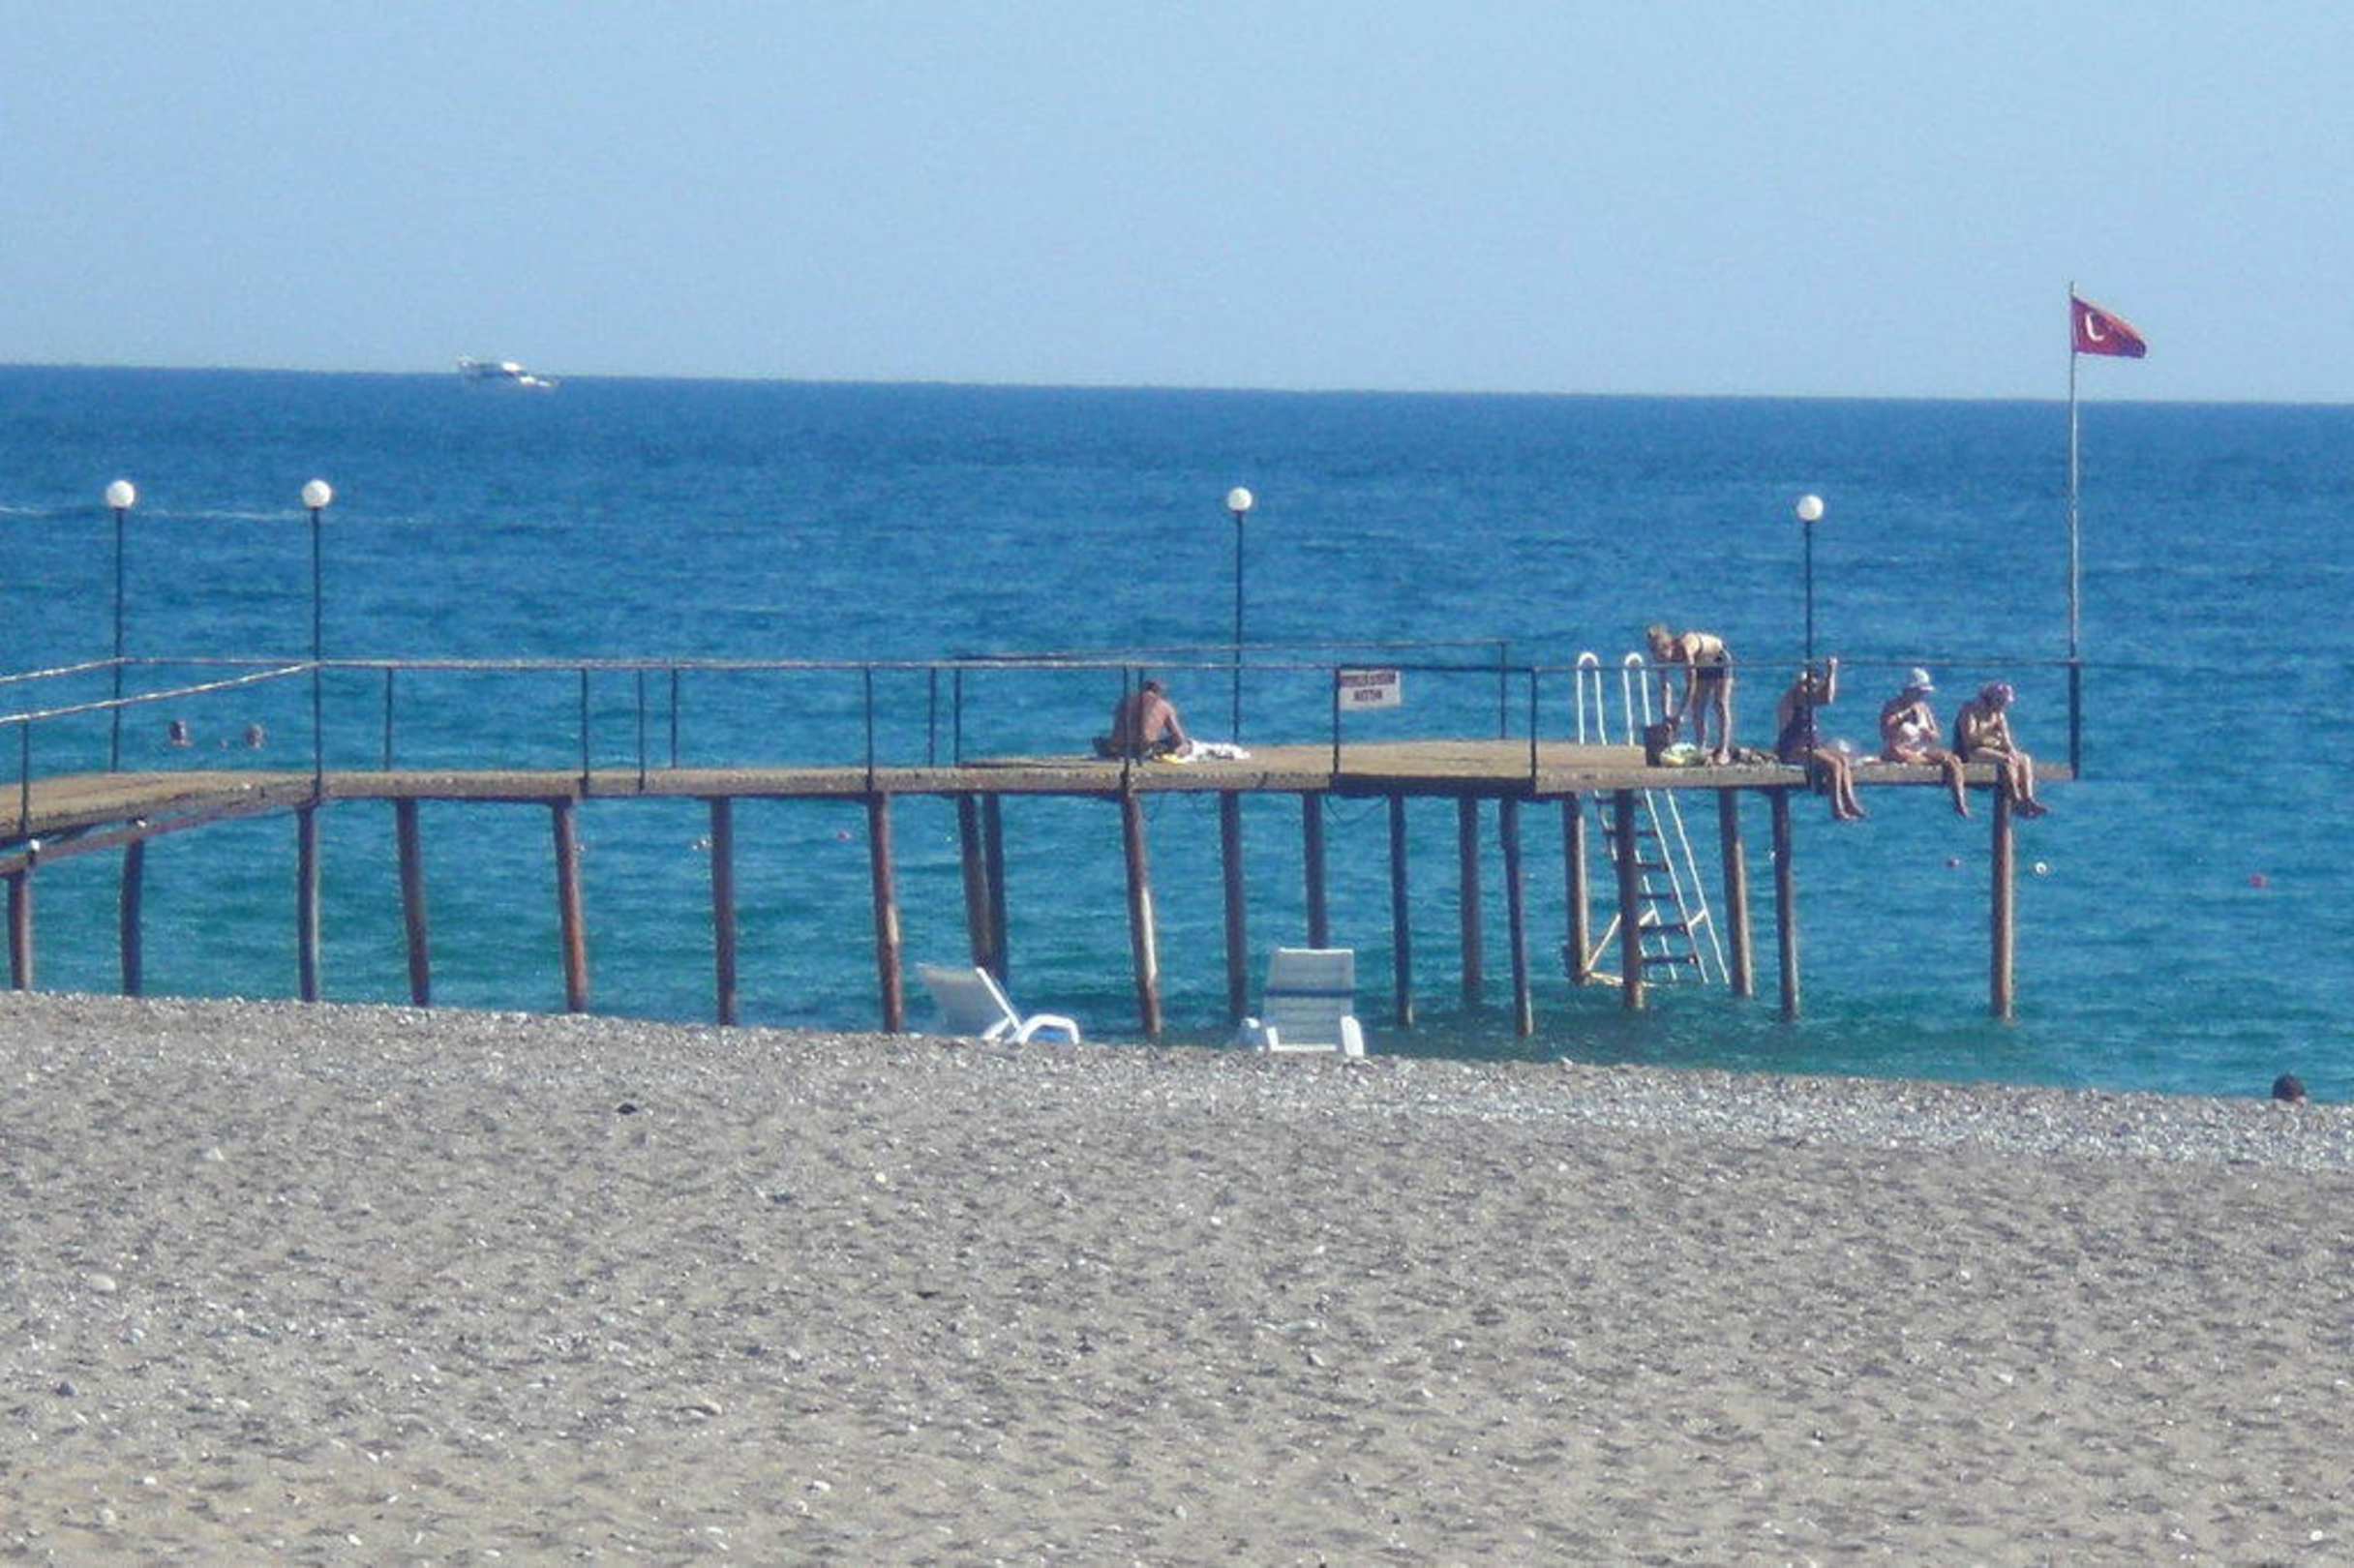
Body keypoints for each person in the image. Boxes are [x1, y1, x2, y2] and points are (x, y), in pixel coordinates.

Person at [1772, 656, 1865, 822]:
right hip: (1793, 749)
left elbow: (1824, 696)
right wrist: (1832, 671)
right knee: (1834, 764)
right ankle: (1837, 808)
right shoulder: (1796, 696)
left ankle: (1850, 801)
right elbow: (1827, 698)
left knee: (1843, 760)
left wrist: (1829, 675)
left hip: (1810, 747)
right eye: (1808, 685)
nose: (1810, 689)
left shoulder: (1808, 697)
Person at [1878, 667, 1970, 817]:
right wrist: (1904, 716)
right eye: (1919, 692)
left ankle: (1960, 801)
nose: (1922, 695)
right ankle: (1930, 763)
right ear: (1909, 690)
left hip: (1922, 750)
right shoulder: (1892, 706)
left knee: (1954, 759)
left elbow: (1936, 735)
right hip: (1900, 750)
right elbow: (1886, 730)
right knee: (1899, 753)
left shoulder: (1923, 708)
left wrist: (1929, 734)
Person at [1954, 681, 2049, 817]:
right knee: (2006, 761)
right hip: (1971, 752)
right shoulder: (1970, 710)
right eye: (2001, 702)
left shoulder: (1999, 714)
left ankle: (2028, 799)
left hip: (1992, 750)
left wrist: (2012, 751)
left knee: (2024, 759)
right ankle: (2015, 801)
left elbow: (2006, 741)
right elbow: (1969, 740)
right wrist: (1991, 738)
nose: (2004, 706)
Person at [1645, 623, 1735, 764]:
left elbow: (1691, 685)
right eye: (1655, 654)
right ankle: (1701, 748)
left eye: (1662, 655)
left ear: (1669, 646)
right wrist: (1667, 716)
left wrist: (1680, 714)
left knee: (1720, 703)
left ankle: (1724, 750)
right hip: (1701, 663)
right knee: (1697, 706)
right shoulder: (1661, 657)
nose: (1662, 659)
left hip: (1718, 657)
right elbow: (1665, 687)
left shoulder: (1685, 647)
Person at [1095, 678, 1192, 759]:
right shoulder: (1164, 705)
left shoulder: (1124, 701)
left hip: (1119, 749)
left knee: (1099, 740)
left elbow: (1117, 726)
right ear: (1159, 691)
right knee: (1186, 743)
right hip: (1143, 750)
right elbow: (1178, 736)